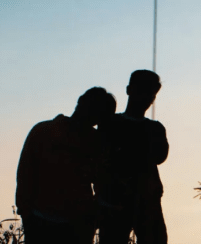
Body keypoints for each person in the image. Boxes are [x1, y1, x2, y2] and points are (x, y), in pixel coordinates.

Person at [15, 87, 116, 244]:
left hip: (78, 224)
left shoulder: (97, 142)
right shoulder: (44, 131)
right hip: (41, 220)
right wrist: (26, 212)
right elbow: (25, 173)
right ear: (80, 102)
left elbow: (104, 182)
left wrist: (92, 217)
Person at [97, 70, 170, 244]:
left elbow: (160, 156)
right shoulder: (110, 124)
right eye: (143, 91)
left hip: (147, 200)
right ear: (129, 90)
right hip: (115, 201)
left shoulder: (155, 128)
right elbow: (100, 160)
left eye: (151, 94)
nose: (148, 98)